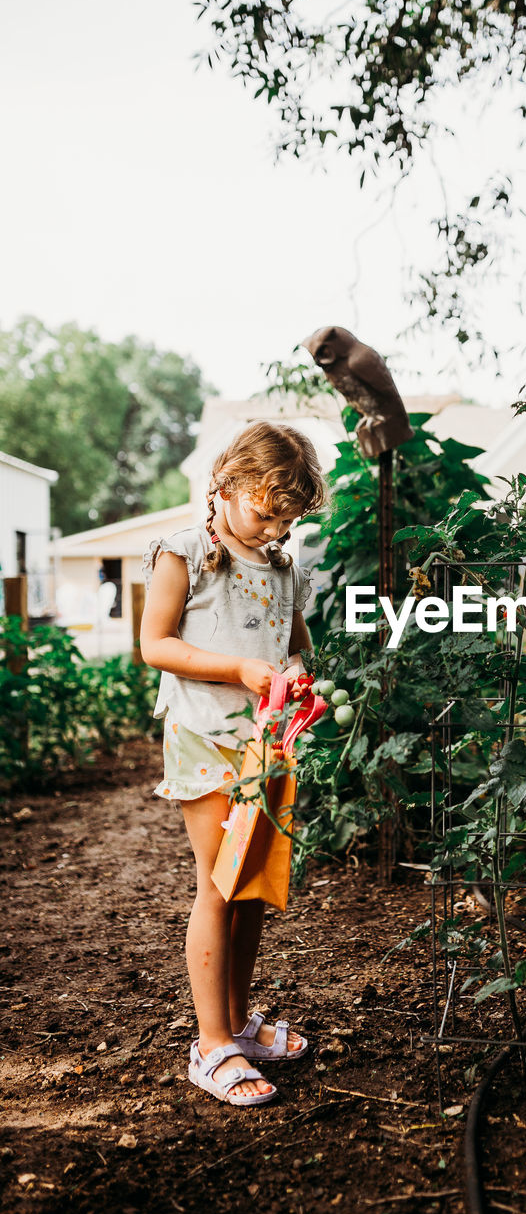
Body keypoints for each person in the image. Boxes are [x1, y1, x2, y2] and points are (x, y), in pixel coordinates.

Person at [140, 421, 326, 1107]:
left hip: (265, 744)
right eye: (264, 512)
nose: (275, 529)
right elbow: (155, 644)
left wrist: (299, 681)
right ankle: (210, 1042)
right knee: (218, 885)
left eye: (287, 519)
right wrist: (239, 669)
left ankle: (241, 1025)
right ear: (225, 482)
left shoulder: (282, 567)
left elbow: (293, 647)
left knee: (250, 884)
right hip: (204, 738)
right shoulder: (182, 553)